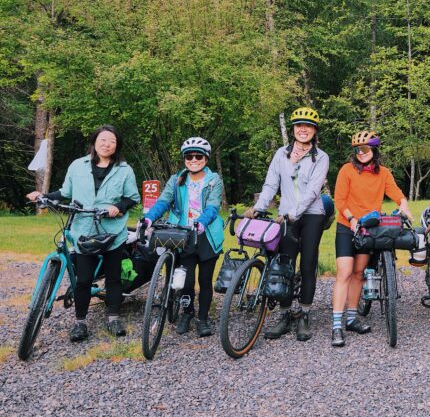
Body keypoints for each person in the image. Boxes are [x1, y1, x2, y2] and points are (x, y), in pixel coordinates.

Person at [26, 125, 140, 341]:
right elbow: (65, 193)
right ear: (94, 141)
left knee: (114, 278)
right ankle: (80, 323)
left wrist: (119, 207)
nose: (107, 144)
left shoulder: (124, 170)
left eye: (112, 141)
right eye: (103, 140)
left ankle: (114, 319)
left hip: (112, 231)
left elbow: (133, 197)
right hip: (83, 230)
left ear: (117, 146)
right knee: (83, 279)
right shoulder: (77, 166)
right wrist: (44, 196)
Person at [245, 107, 329, 342]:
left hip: (311, 215)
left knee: (308, 263)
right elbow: (271, 184)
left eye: (308, 126)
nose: (303, 129)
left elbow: (314, 190)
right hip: (285, 217)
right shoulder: (281, 154)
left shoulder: (320, 157)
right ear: (293, 129)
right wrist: (259, 207)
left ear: (314, 130)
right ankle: (284, 315)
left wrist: (293, 213)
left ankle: (304, 314)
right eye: (299, 126)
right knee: (284, 264)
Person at [331, 130, 413, 347]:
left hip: (369, 229)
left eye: (365, 149)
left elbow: (395, 192)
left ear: (374, 150)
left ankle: (351, 318)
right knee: (345, 272)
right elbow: (339, 199)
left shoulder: (383, 173)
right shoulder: (346, 170)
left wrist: (403, 204)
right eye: (357, 149)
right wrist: (351, 218)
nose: (361, 153)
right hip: (347, 226)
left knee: (359, 273)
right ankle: (337, 325)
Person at [139, 137, 225, 337]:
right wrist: (149, 218)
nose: (194, 159)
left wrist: (201, 222)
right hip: (182, 236)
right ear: (184, 158)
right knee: (185, 281)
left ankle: (202, 319)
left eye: (198, 156)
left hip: (206, 236)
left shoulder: (214, 181)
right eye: (189, 156)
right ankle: (187, 313)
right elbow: (163, 202)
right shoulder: (176, 179)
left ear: (206, 158)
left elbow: (213, 207)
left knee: (205, 280)